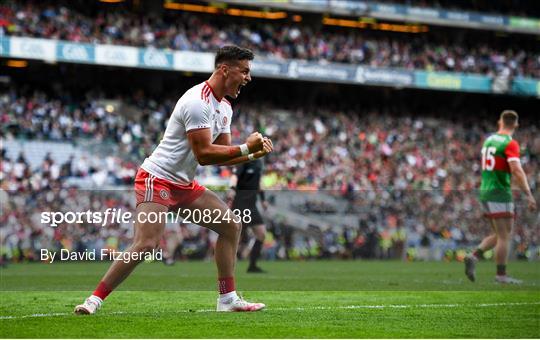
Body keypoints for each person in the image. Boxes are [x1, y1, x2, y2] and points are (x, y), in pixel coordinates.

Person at [74, 45, 274, 314]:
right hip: (156, 178)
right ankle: (93, 300)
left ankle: (227, 300)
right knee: (146, 244)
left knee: (231, 226)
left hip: (183, 184)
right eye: (245, 71)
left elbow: (222, 156)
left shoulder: (224, 107)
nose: (249, 77)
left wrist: (252, 154)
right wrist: (247, 148)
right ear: (225, 70)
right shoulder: (197, 101)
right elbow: (203, 155)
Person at [464, 110, 536, 284]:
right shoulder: (510, 143)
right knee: (505, 236)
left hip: (486, 190)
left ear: (500, 122)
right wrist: (528, 194)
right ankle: (501, 275)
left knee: (499, 233)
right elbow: (516, 170)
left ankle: (473, 256)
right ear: (516, 125)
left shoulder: (489, 140)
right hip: (499, 192)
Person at [229, 157, 269, 273]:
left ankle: (252, 265)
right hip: (239, 204)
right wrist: (232, 189)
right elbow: (234, 176)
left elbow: (259, 182)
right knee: (236, 235)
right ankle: (228, 264)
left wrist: (263, 199)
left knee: (261, 234)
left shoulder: (258, 163)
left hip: (252, 205)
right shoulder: (242, 161)